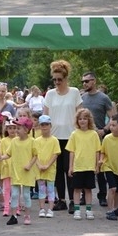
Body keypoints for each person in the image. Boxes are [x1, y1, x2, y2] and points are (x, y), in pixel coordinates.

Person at [44, 59, 82, 213]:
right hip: (54, 137)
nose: (57, 82)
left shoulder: (74, 92)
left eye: (60, 79)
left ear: (66, 78)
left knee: (70, 169)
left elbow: (80, 113)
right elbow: (45, 115)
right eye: (54, 79)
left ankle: (74, 199)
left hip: (71, 136)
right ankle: (61, 199)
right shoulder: (50, 94)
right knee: (57, 170)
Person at [81, 72, 115, 207]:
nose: (84, 84)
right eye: (83, 82)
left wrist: (105, 130)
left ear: (94, 81)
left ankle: (102, 195)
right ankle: (84, 195)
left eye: (87, 81)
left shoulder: (104, 98)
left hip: (99, 136)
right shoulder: (82, 98)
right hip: (84, 137)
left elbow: (113, 117)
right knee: (84, 166)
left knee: (99, 166)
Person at [66, 108, 101, 220]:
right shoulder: (74, 134)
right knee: (77, 189)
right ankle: (77, 210)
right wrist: (71, 166)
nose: (82, 121)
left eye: (85, 119)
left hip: (89, 166)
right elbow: (72, 151)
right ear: (77, 121)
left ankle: (89, 210)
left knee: (88, 189)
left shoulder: (94, 134)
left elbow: (97, 151)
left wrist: (97, 165)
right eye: (80, 119)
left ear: (89, 120)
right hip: (78, 166)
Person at [3, 117, 36, 226]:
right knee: (15, 195)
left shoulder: (32, 141)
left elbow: (35, 155)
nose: (16, 130)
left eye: (19, 128)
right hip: (15, 172)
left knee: (26, 195)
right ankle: (13, 216)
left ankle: (27, 215)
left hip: (27, 172)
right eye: (16, 128)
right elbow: (8, 154)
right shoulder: (14, 141)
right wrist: (0, 157)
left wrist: (29, 165)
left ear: (26, 130)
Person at [32, 114, 60, 218]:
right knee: (41, 189)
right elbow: (35, 154)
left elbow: (55, 154)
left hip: (50, 169)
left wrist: (48, 165)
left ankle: (50, 209)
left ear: (50, 125)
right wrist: (39, 165)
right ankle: (42, 208)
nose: (44, 127)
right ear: (39, 126)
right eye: (42, 125)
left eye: (46, 125)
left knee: (51, 189)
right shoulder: (36, 141)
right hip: (39, 169)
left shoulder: (54, 140)